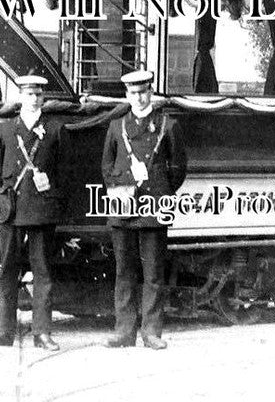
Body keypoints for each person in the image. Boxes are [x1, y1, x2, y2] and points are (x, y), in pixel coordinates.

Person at [102, 69, 187, 350]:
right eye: (133, 93)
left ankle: (151, 332)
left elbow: (178, 169)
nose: (138, 98)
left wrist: (160, 192)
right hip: (124, 207)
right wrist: (123, 189)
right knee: (124, 271)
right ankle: (124, 331)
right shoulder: (117, 127)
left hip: (154, 208)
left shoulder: (168, 125)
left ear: (150, 92)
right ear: (126, 95)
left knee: (153, 273)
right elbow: (107, 168)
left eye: (143, 92)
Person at [0, 75, 64, 349]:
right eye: (29, 94)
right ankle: (4, 331)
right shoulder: (6, 130)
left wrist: (52, 195)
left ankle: (42, 333)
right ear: (20, 96)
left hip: (42, 208)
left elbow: (64, 173)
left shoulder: (54, 130)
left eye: (38, 94)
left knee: (42, 271)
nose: (34, 99)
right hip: (12, 208)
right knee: (8, 269)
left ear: (43, 97)